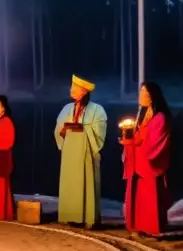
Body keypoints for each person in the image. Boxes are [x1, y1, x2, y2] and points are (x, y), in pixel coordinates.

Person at [54, 75, 108, 227]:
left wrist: (83, 129)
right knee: (70, 182)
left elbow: (99, 131)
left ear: (84, 92)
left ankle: (88, 217)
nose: (71, 90)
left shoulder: (97, 110)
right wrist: (64, 130)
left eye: (74, 88)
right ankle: (70, 215)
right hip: (70, 152)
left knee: (86, 182)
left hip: (86, 152)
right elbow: (58, 130)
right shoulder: (67, 109)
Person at [121, 82, 172, 238]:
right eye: (140, 91)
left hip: (148, 163)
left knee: (150, 196)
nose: (141, 95)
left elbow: (155, 142)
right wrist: (128, 139)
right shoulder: (142, 114)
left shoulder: (160, 118)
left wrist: (135, 143)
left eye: (144, 93)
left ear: (152, 97)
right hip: (137, 161)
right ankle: (138, 225)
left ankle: (152, 227)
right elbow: (138, 136)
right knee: (137, 195)